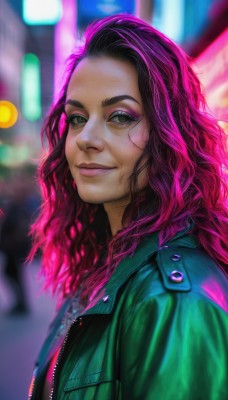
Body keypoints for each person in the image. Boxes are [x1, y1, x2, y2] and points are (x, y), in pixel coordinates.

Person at [28, 14, 228, 400]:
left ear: (169, 134)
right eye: (77, 118)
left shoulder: (173, 303)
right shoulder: (106, 263)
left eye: (120, 116)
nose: (86, 138)